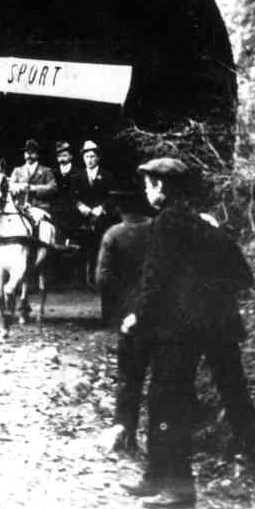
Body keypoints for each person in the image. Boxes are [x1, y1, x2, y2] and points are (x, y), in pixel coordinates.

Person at [118, 158, 255, 509]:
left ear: (162, 187)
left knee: (167, 400)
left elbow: (156, 279)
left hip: (182, 329)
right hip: (215, 324)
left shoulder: (167, 223)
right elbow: (243, 275)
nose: (147, 191)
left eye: (149, 184)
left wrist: (138, 316)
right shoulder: (201, 223)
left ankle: (178, 487)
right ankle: (158, 476)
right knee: (218, 393)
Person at [97, 185, 153, 453]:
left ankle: (126, 433)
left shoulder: (114, 235)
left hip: (129, 315)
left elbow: (102, 277)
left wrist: (120, 305)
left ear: (120, 208)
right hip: (161, 313)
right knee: (163, 379)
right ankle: (159, 442)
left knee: (129, 376)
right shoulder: (160, 230)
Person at [71, 140, 113, 285]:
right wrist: (80, 206)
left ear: (98, 158)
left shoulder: (106, 175)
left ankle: (98, 276)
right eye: (87, 157)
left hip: (101, 216)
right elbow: (72, 196)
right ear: (83, 158)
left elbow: (111, 196)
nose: (90, 160)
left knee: (100, 245)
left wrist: (102, 208)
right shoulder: (77, 176)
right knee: (81, 244)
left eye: (92, 156)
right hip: (83, 216)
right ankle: (81, 278)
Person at [9, 139, 56, 213]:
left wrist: (34, 188)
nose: (29, 155)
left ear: (38, 154)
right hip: (20, 208)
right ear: (24, 154)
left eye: (32, 152)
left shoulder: (46, 171)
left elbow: (53, 187)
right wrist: (19, 186)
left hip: (40, 207)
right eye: (27, 152)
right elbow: (10, 187)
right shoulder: (17, 170)